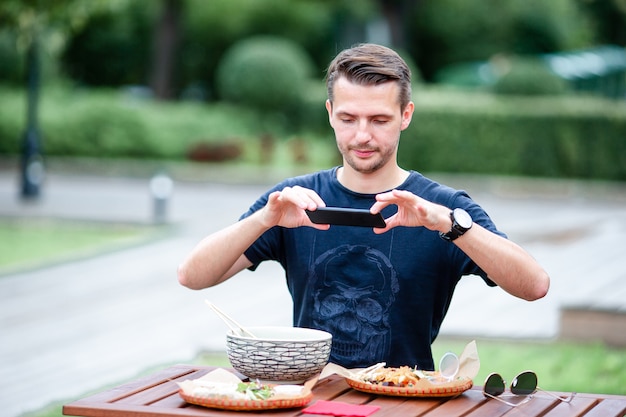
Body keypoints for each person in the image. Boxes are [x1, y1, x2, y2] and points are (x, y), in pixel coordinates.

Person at [178, 43, 549, 370]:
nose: (362, 136)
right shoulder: (292, 201)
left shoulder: (443, 208)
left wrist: (447, 224)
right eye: (348, 119)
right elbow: (192, 277)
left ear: (406, 115)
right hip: (309, 401)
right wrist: (263, 220)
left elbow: (534, 286)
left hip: (405, 404)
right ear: (329, 113)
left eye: (379, 120)